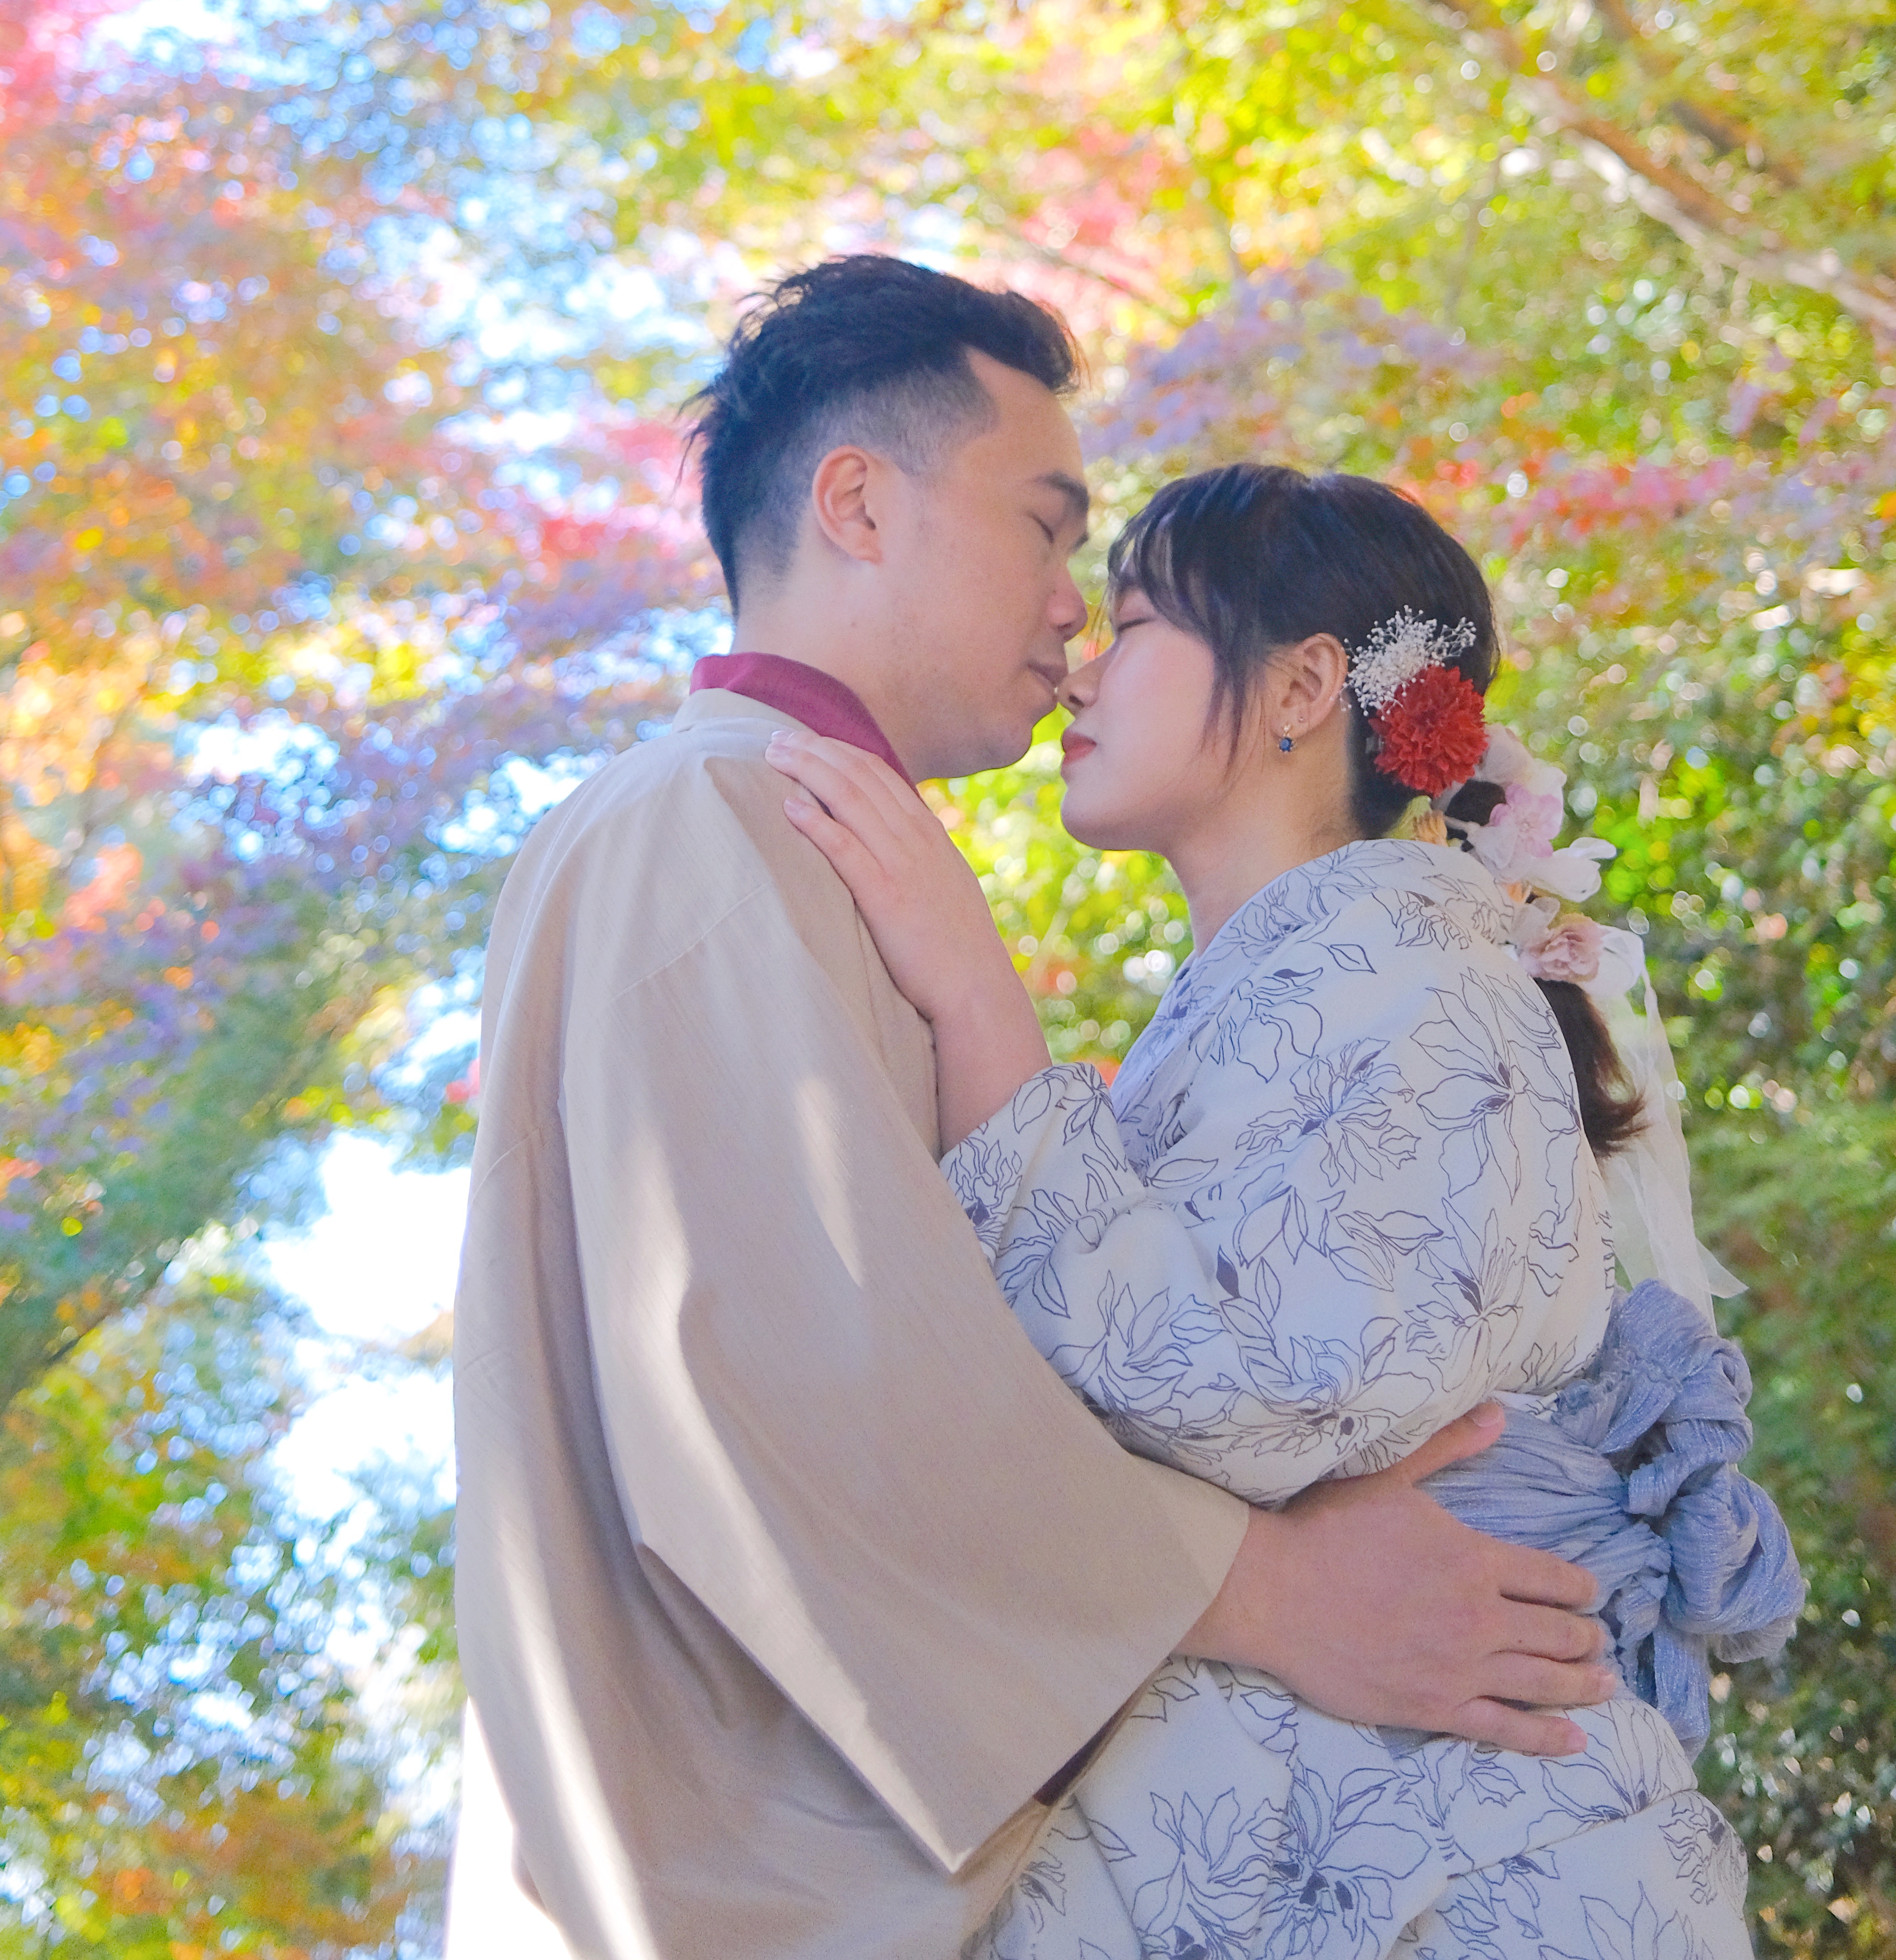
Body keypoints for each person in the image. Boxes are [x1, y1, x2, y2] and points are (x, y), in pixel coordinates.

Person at [453, 259, 1618, 1960]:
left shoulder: (781, 839)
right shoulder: (707, 826)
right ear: (859, 503)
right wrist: (1260, 1588)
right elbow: (790, 1373)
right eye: (1051, 527)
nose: (1073, 608)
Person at [771, 459, 1802, 1960]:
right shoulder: (1335, 977)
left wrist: (979, 1010)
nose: (1079, 671)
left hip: (1440, 1846)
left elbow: (1254, 1392)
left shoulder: (1431, 978)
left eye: (1133, 625)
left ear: (1307, 683)